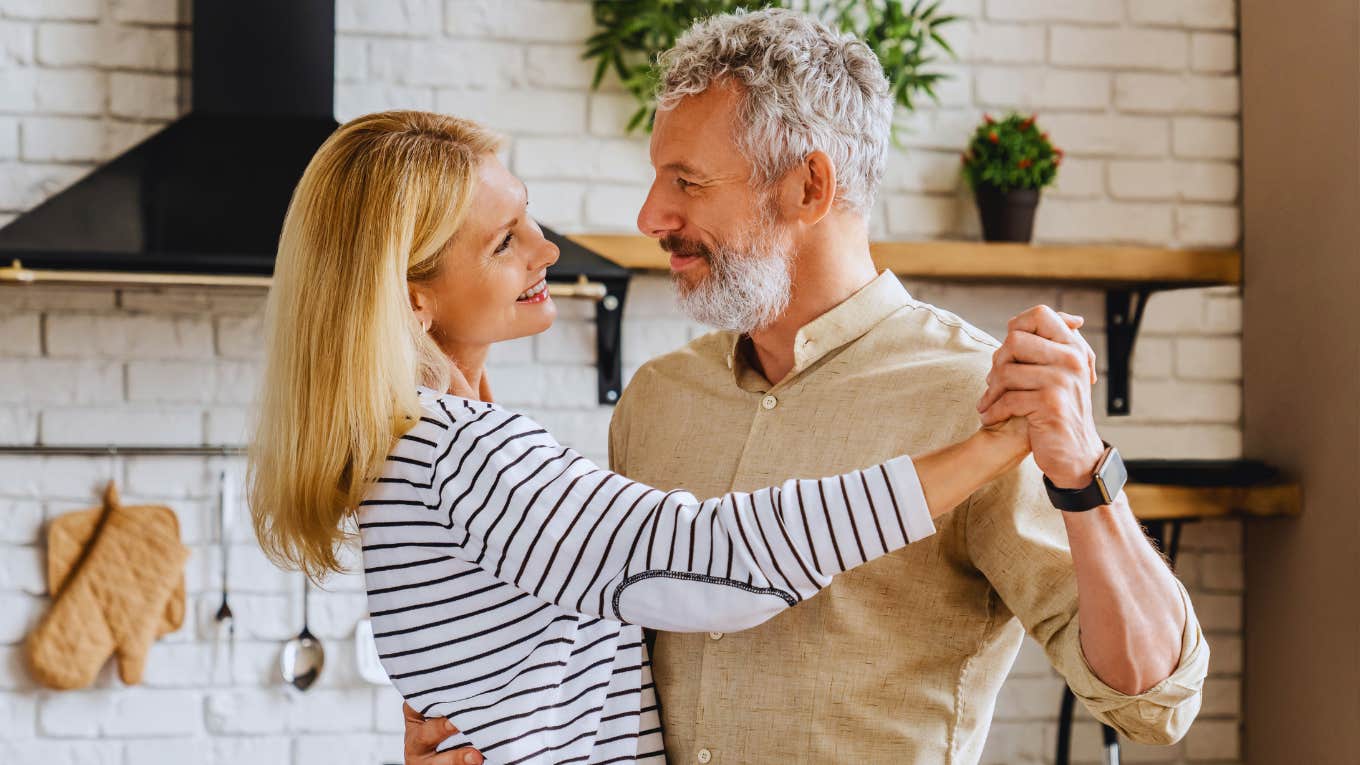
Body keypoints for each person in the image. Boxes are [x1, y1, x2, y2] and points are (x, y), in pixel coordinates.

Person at [405, 8, 1208, 765]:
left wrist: (1085, 476)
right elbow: (600, 667)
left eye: (686, 181)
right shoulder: (658, 399)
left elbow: (1151, 698)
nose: (651, 215)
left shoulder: (983, 397)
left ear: (808, 188)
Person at [246, 109, 1056, 765]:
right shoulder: (461, 454)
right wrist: (992, 445)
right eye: (504, 241)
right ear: (415, 299)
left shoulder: (412, 451)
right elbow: (713, 562)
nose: (547, 249)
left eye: (528, 215)